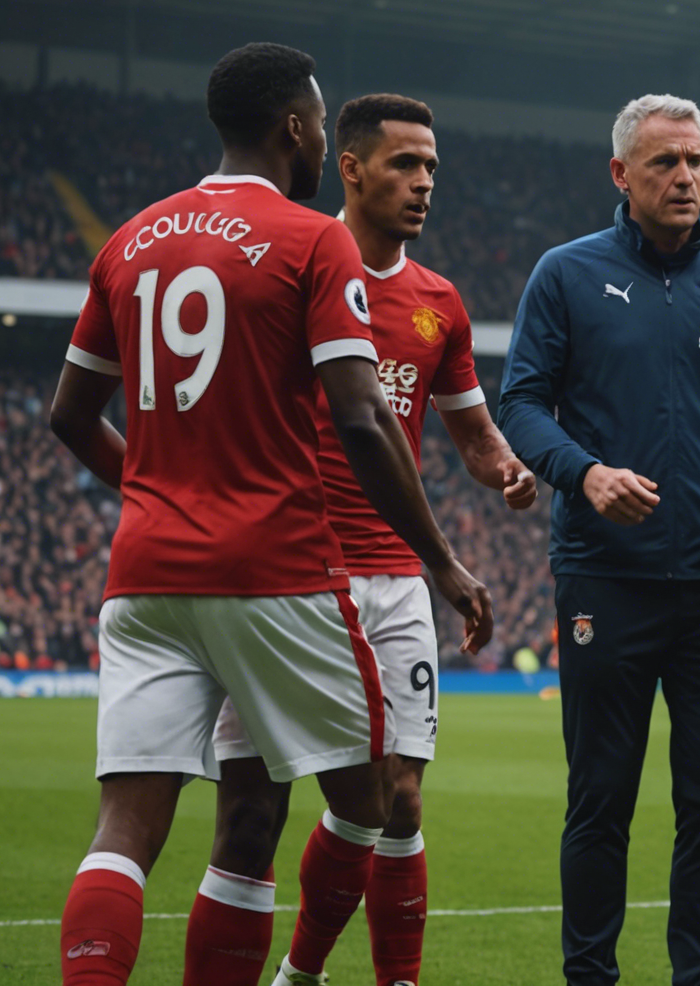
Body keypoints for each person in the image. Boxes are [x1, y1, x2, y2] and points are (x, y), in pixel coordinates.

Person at [48, 42, 494, 986]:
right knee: (371, 796)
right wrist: (444, 564)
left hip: (145, 575)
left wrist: (151, 493)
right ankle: (311, 972)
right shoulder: (310, 238)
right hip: (276, 569)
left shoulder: (127, 239)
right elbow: (364, 416)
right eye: (321, 122)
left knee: (125, 835)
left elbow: (68, 416)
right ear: (295, 127)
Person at [182, 93, 537, 986]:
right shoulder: (286, 264)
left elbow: (470, 432)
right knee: (255, 816)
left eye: (431, 169)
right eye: (404, 165)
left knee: (402, 799)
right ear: (349, 166)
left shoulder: (437, 303)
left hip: (393, 581)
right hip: (287, 577)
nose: (423, 185)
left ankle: (339, 977)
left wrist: (508, 471)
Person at [497, 94, 700, 986]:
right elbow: (520, 402)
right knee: (601, 800)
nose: (685, 178)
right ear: (621, 174)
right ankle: (590, 975)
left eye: (697, 162)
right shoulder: (565, 274)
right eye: (666, 163)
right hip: (607, 579)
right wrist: (585, 473)